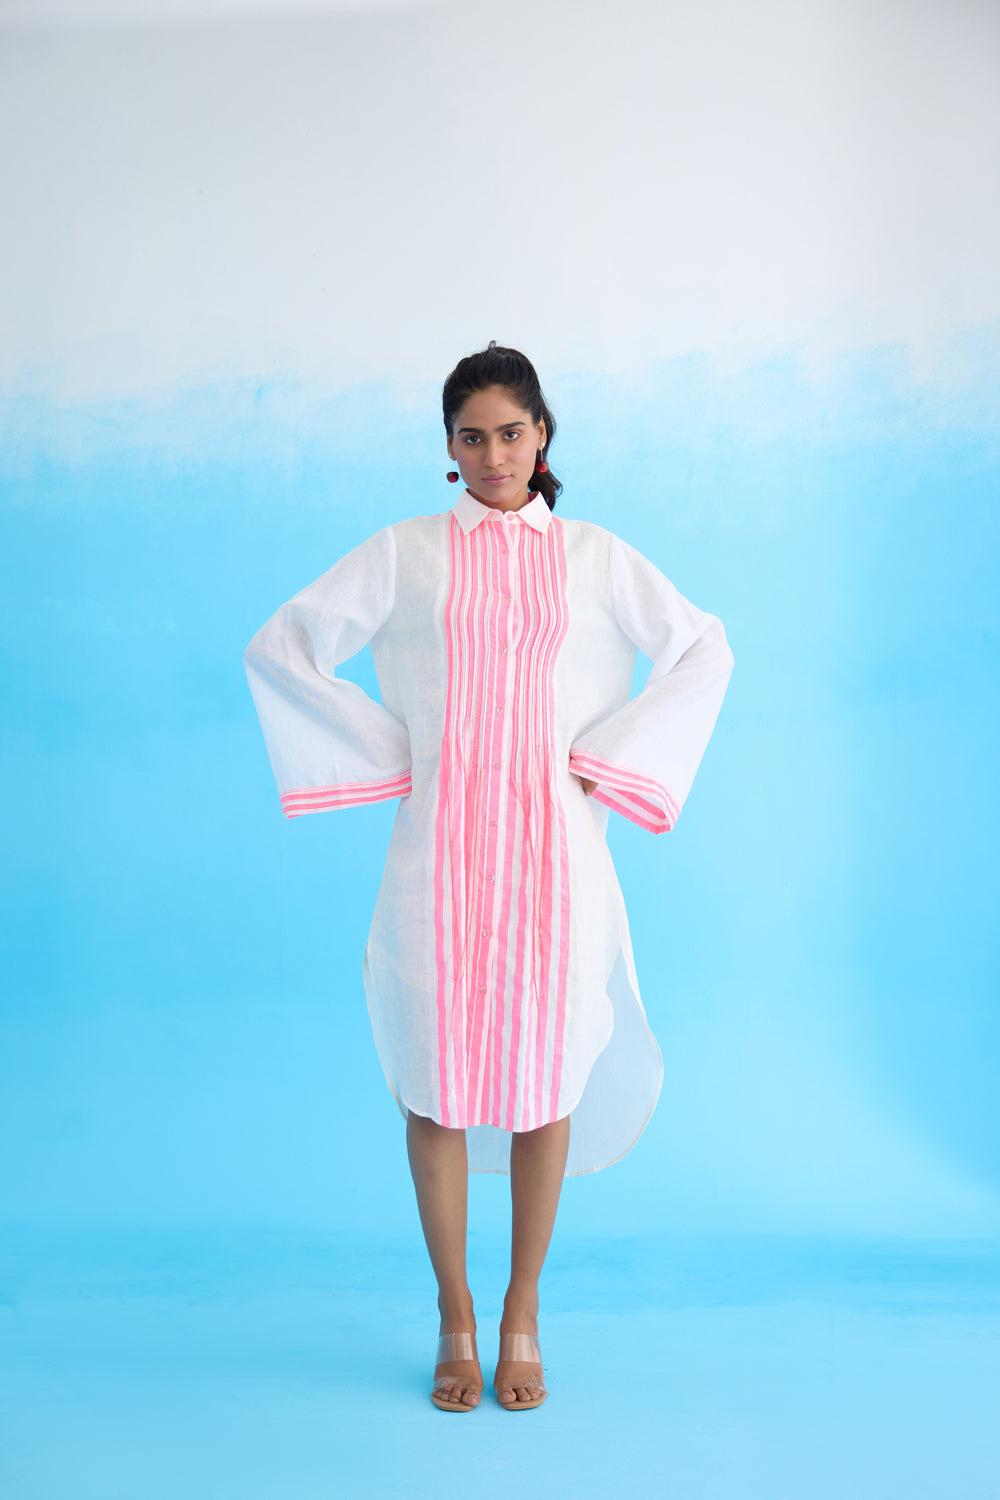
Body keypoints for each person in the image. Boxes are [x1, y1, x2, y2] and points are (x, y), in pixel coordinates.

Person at [243, 341, 734, 1413]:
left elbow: (705, 649)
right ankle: (454, 1314)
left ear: (541, 434)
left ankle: (522, 1312)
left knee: (544, 1081)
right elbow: (283, 645)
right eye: (472, 437)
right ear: (449, 448)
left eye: (512, 433)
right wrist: (400, 756)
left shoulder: (597, 559)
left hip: (558, 863)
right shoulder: (406, 554)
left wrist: (607, 759)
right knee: (434, 1083)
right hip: (438, 863)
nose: (495, 455)